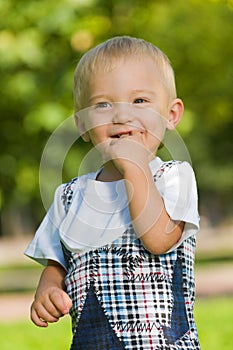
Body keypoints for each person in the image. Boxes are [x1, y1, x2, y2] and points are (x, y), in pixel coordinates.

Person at [25, 36, 201, 349]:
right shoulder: (69, 196)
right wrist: (49, 290)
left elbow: (160, 240)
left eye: (140, 101)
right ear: (82, 124)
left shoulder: (173, 177)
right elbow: (57, 264)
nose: (121, 116)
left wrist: (136, 168)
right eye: (103, 104)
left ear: (171, 115)